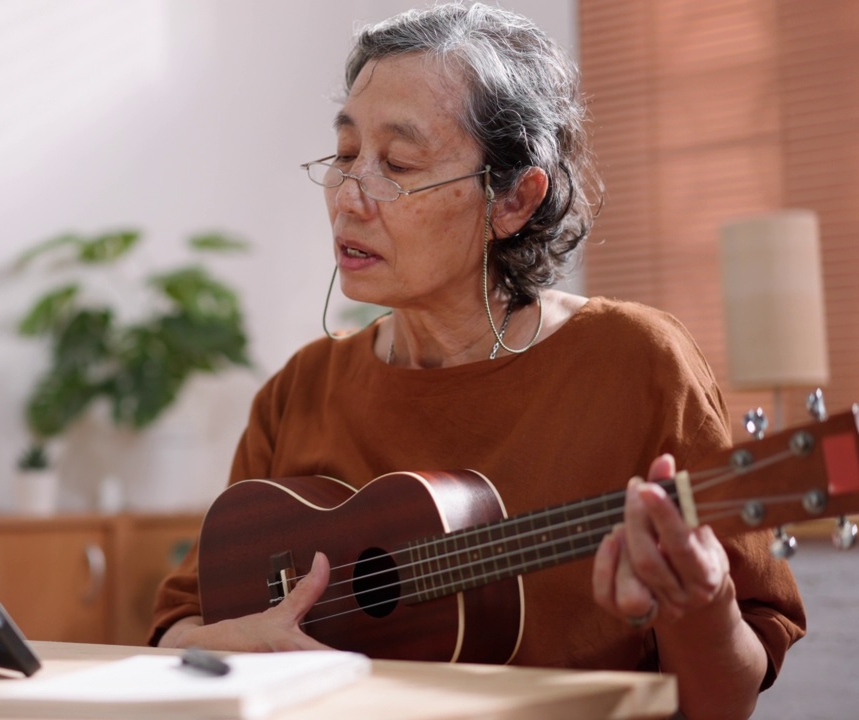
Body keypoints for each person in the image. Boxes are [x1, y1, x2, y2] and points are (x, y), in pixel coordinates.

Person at [148, 4, 806, 720]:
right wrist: (228, 647)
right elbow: (176, 628)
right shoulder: (300, 390)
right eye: (344, 156)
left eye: (397, 164)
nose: (349, 197)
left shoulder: (637, 363)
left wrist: (701, 602)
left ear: (514, 199)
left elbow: (726, 701)